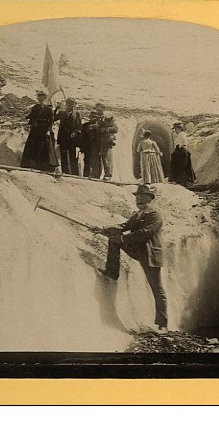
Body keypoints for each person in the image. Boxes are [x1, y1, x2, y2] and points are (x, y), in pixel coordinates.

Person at [94, 185, 168, 334]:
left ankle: (162, 325)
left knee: (157, 289)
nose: (139, 199)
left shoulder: (155, 215)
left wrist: (122, 238)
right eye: (137, 197)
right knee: (113, 240)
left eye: (142, 197)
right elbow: (123, 226)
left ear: (150, 199)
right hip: (139, 250)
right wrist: (102, 229)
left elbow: (144, 233)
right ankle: (112, 271)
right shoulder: (137, 214)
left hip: (150, 254)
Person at [20, 89, 58, 173]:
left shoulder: (48, 108)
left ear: (44, 97)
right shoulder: (36, 107)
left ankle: (42, 165)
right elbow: (32, 116)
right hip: (35, 130)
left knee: (42, 147)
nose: (39, 98)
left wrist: (48, 129)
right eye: (38, 96)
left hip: (43, 130)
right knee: (33, 146)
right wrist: (27, 117)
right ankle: (31, 164)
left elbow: (51, 120)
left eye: (41, 96)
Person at [56, 97, 82, 176]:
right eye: (68, 103)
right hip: (63, 137)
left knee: (72, 156)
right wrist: (56, 109)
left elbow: (79, 126)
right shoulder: (62, 113)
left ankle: (74, 173)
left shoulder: (77, 114)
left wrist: (75, 132)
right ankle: (65, 172)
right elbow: (53, 118)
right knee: (63, 155)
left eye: (72, 104)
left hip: (72, 138)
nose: (70, 105)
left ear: (74, 105)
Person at [81, 104, 105, 179]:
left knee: (98, 161)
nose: (93, 118)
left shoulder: (99, 125)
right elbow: (83, 137)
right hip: (87, 146)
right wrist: (82, 147)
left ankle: (97, 176)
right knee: (87, 160)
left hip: (97, 146)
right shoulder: (85, 125)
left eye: (95, 117)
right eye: (92, 117)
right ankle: (86, 175)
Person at [98, 112, 118, 181]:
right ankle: (107, 174)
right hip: (103, 141)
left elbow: (116, 129)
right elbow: (99, 129)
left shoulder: (112, 122)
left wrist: (106, 129)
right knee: (104, 158)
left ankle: (108, 174)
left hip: (108, 141)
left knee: (106, 158)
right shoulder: (102, 120)